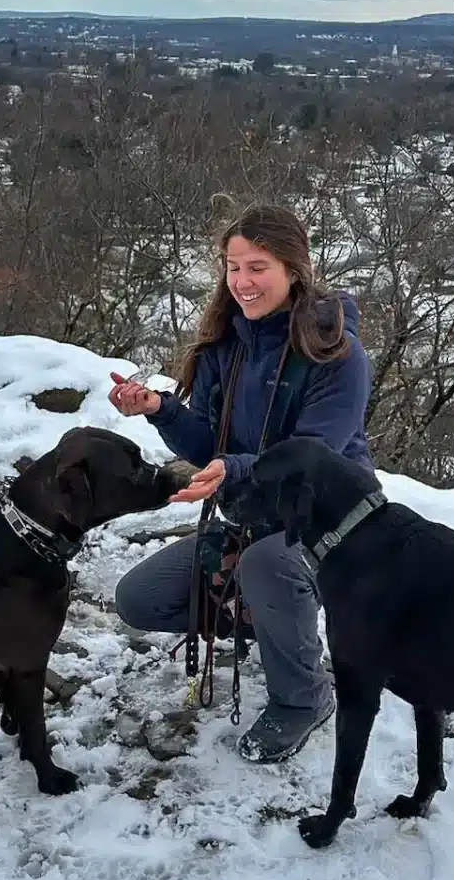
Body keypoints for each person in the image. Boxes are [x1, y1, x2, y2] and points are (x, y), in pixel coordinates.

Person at [110, 204, 373, 763]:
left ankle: (305, 697)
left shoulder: (336, 354)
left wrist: (237, 469)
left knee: (266, 565)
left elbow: (314, 455)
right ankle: (279, 630)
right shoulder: (225, 344)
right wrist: (158, 408)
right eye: (233, 266)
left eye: (258, 267)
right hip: (255, 516)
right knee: (139, 599)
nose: (242, 282)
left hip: (337, 521)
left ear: (293, 269)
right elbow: (208, 443)